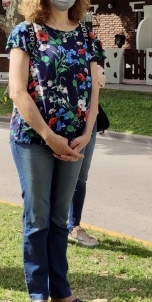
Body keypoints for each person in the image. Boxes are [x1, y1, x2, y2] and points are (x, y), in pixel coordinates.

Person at [6, 0, 104, 302]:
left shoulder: (87, 33)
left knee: (60, 220)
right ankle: (37, 294)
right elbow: (17, 91)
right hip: (34, 139)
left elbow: (95, 89)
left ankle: (62, 293)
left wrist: (88, 130)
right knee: (37, 217)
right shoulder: (26, 32)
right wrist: (50, 136)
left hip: (76, 139)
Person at [67, 64, 106, 248]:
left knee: (80, 177)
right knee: (63, 176)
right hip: (64, 118)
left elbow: (101, 78)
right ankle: (55, 226)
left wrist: (98, 76)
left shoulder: (88, 42)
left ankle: (74, 226)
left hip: (90, 120)